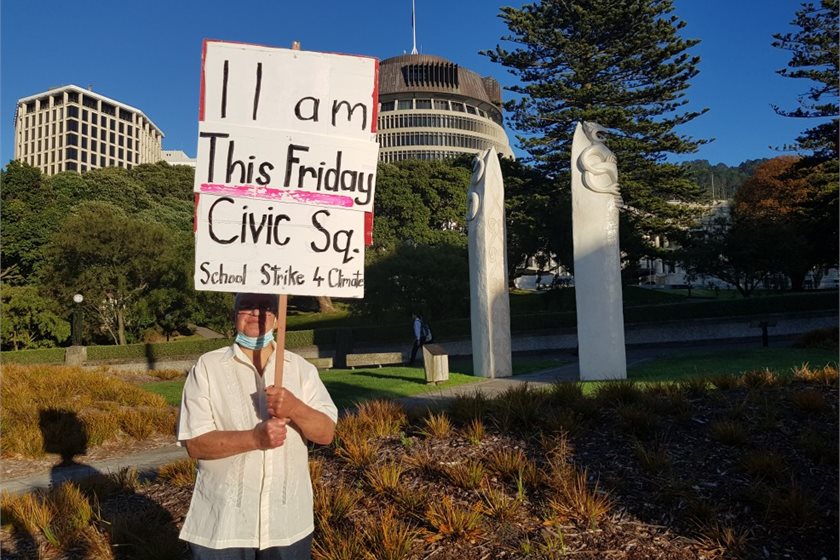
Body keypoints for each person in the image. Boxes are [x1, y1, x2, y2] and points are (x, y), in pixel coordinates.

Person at [177, 292, 337, 559]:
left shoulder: (301, 369)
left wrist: (295, 408)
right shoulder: (208, 367)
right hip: (224, 525)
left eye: (266, 306)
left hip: (287, 525)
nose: (257, 313)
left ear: (277, 317)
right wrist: (254, 438)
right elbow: (195, 443)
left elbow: (326, 433)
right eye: (246, 306)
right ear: (234, 315)